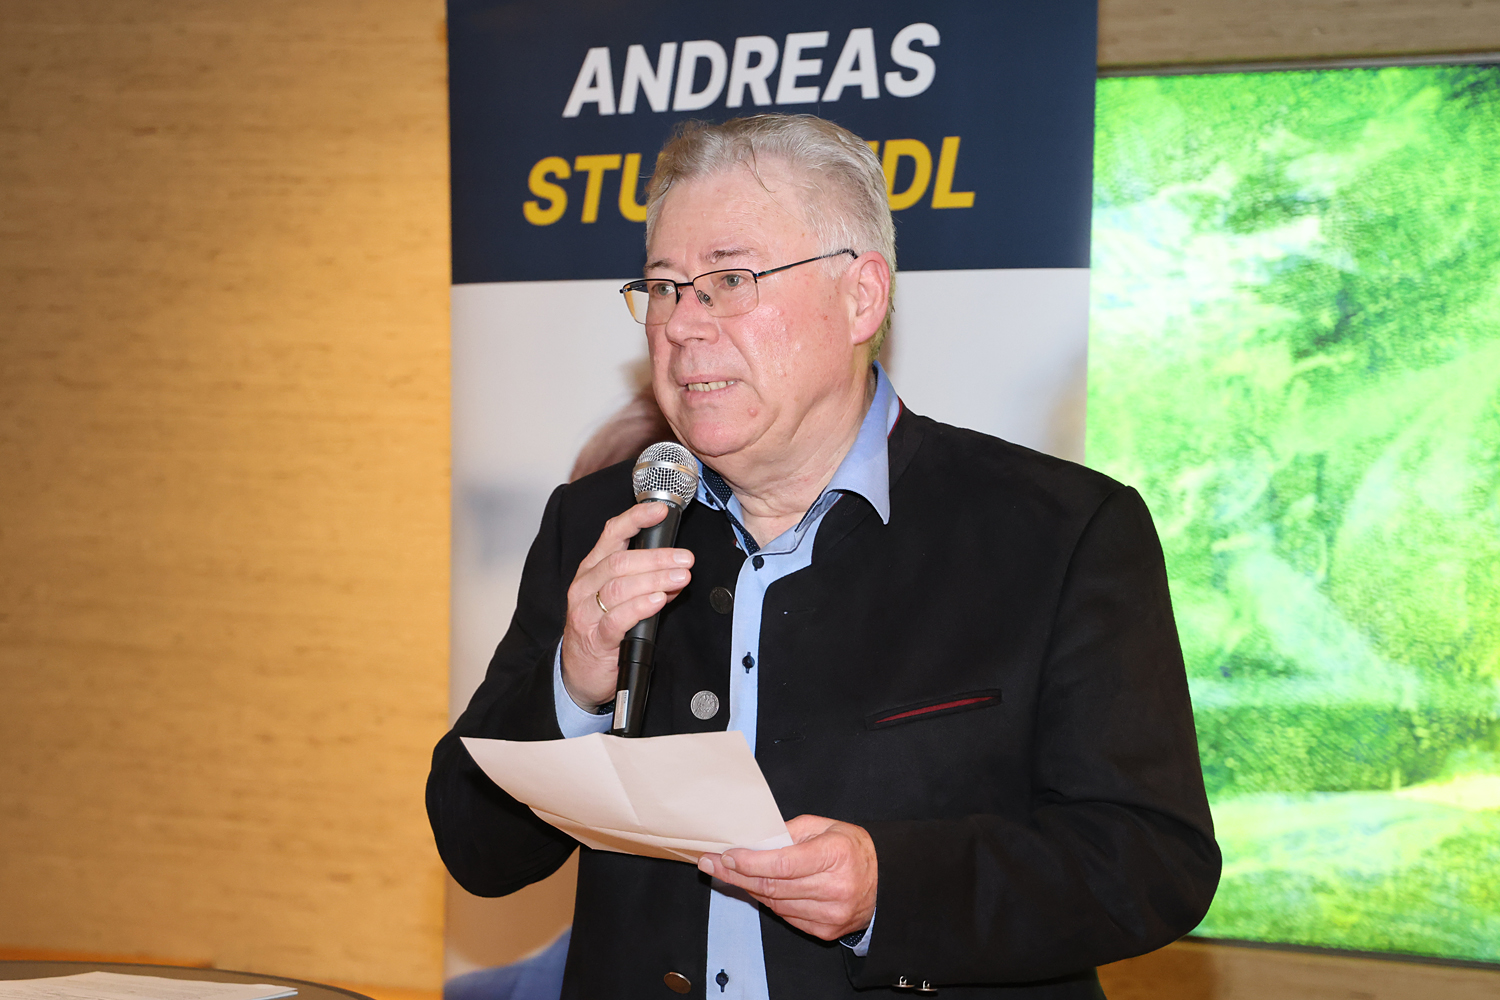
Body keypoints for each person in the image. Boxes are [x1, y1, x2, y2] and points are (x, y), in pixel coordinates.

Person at [427, 114, 1220, 999]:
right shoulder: (599, 521)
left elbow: (1154, 861)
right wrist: (572, 685)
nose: (681, 326)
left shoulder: (1061, 531)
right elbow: (473, 847)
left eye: (729, 280)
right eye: (663, 287)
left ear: (861, 298)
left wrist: (891, 889)